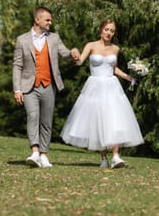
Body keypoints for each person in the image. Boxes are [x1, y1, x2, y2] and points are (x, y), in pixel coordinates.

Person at [61, 19, 144, 168]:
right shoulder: (91, 46)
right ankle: (104, 158)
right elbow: (80, 62)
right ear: (101, 30)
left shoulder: (115, 49)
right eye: (107, 29)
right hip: (95, 86)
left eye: (112, 31)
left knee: (115, 118)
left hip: (112, 85)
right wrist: (75, 54)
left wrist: (128, 77)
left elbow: (114, 68)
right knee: (98, 121)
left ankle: (116, 156)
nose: (109, 33)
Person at [13, 6, 80, 168]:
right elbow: (17, 65)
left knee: (46, 121)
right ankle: (35, 152)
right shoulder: (22, 40)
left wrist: (73, 52)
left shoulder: (54, 38)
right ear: (37, 20)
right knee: (33, 116)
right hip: (28, 86)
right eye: (47, 20)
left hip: (49, 85)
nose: (50, 22)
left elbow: (64, 54)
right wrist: (17, 89)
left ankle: (44, 154)